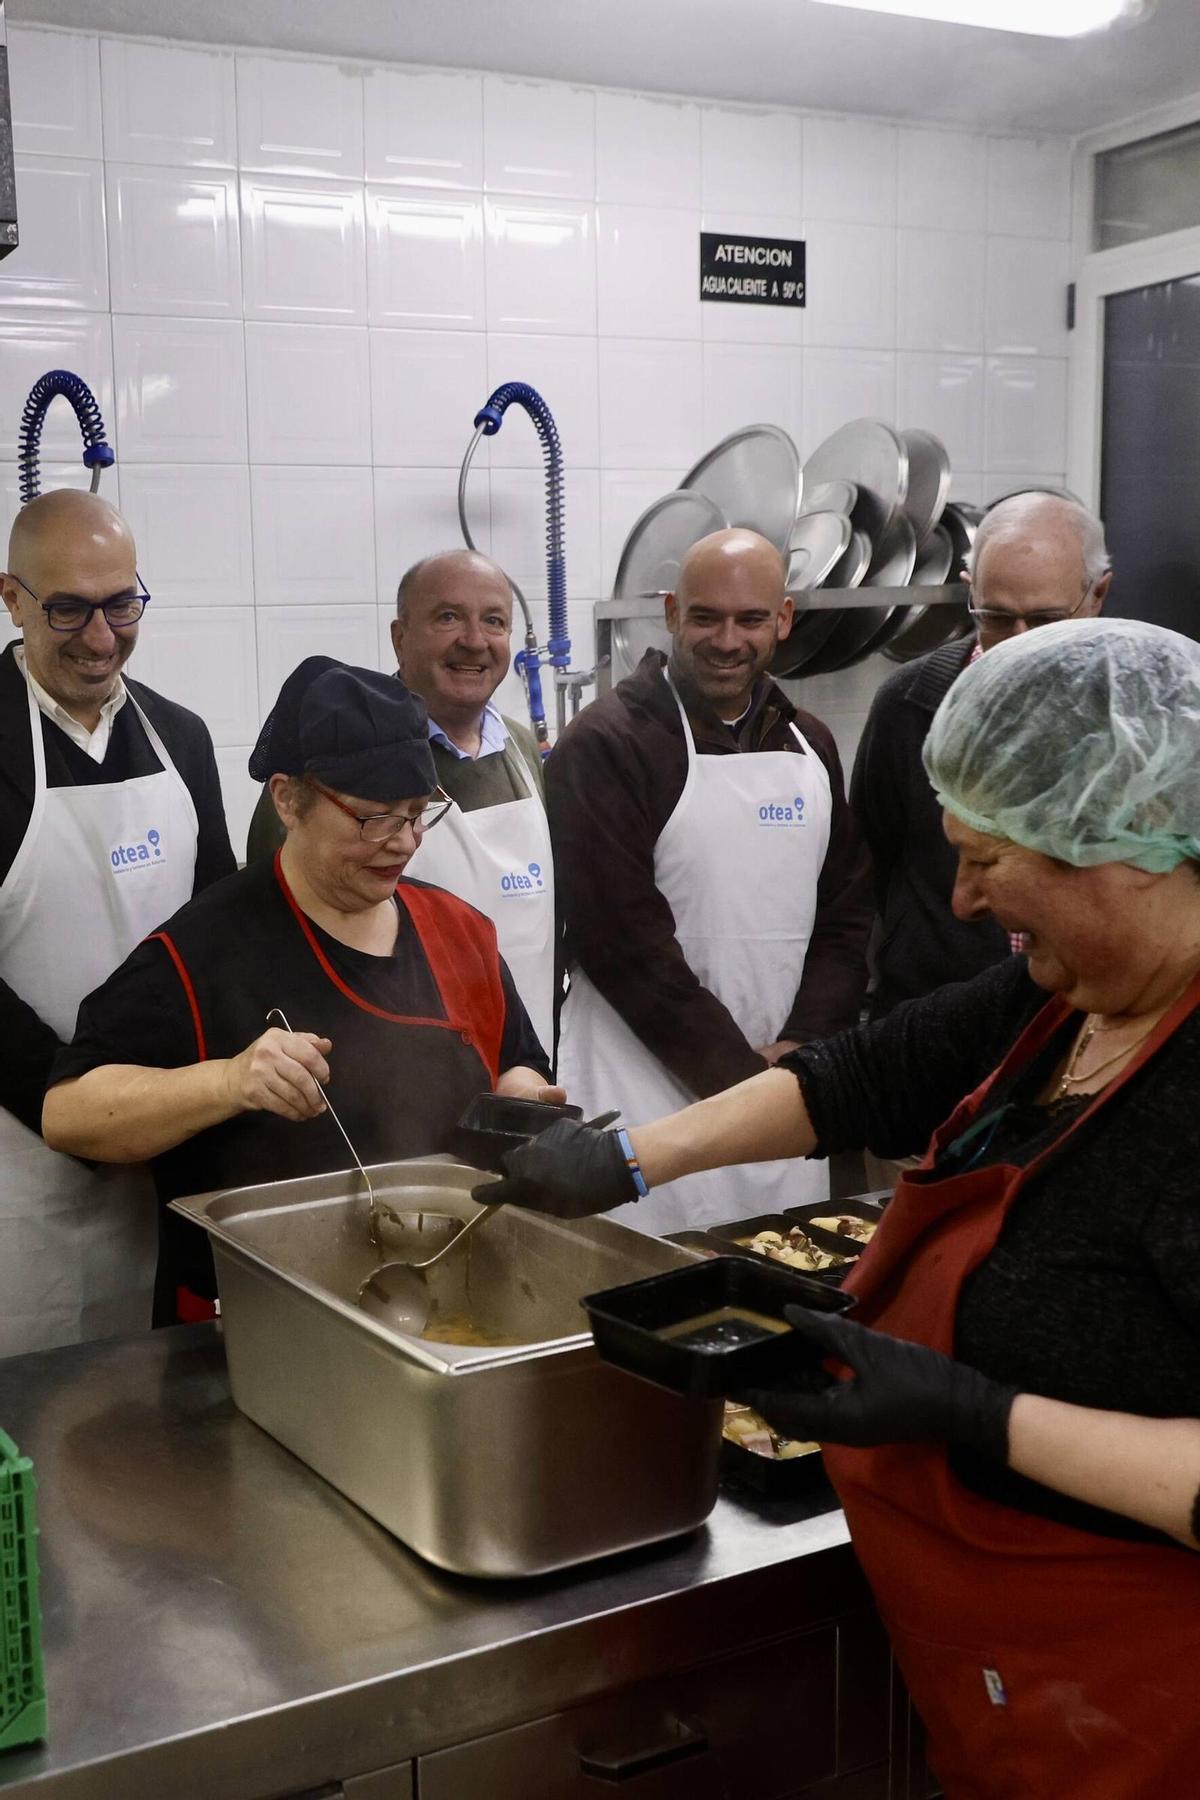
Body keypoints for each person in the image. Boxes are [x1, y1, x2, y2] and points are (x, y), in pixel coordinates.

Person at [485, 616, 1200, 1798]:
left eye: (991, 857)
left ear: (1121, 844)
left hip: (1147, 1715)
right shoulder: (1062, 997)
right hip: (1005, 1698)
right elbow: (852, 1078)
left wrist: (977, 1412)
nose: (964, 898)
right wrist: (625, 1161)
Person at [42, 658, 560, 1326]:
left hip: (440, 1302)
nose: (402, 843)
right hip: (250, 1330)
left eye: (416, 813)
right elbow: (69, 1112)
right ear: (288, 800)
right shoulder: (202, 950)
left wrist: (522, 1101)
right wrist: (228, 1081)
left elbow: (516, 1058)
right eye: (374, 819)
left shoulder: (458, 931)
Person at [547, 526, 871, 1232]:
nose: (728, 640)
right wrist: (748, 1087)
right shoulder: (606, 745)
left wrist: (805, 1048)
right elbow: (625, 944)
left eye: (751, 619)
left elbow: (847, 917)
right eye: (706, 617)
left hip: (786, 1086)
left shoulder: (810, 744)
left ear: (782, 620)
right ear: (671, 613)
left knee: (789, 1295)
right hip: (646, 1089)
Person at [0, 488, 235, 1355]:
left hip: (166, 1157)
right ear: (11, 597)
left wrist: (189, 1106)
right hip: (20, 1166)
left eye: (122, 604)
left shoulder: (183, 738)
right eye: (68, 609)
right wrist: (80, 1108)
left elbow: (218, 933)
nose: (102, 638)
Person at [247, 550, 555, 1053]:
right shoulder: (330, 755)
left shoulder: (524, 751)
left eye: (493, 621)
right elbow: (269, 929)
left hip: (519, 1060)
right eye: (448, 617)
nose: (474, 641)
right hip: (374, 1065)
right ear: (399, 637)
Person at [851, 492, 1111, 1019]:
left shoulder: (1139, 715)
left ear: (1098, 594)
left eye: (1044, 620)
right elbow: (865, 871)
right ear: (970, 593)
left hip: (1084, 1021)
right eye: (994, 617)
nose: (1018, 644)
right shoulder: (909, 705)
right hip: (933, 1020)